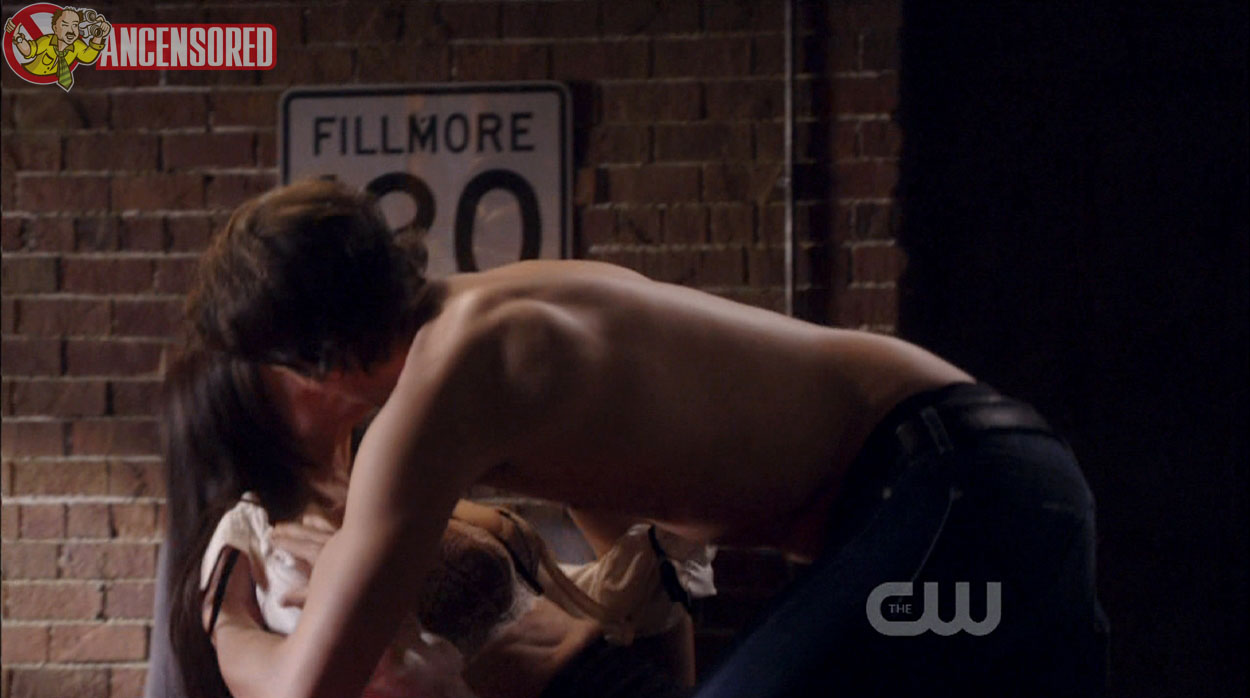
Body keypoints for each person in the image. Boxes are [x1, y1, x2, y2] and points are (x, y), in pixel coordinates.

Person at [186, 179, 1108, 697]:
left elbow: (311, 688)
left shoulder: (435, 392)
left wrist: (223, 621)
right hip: (1000, 492)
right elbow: (651, 546)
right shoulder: (506, 307)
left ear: (312, 360)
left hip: (948, 496)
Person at [160, 349, 707, 698]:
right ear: (249, 407)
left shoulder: (398, 490)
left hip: (616, 676)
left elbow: (639, 595)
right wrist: (229, 621)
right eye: (287, 359)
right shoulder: (260, 534)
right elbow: (271, 677)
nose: (322, 355)